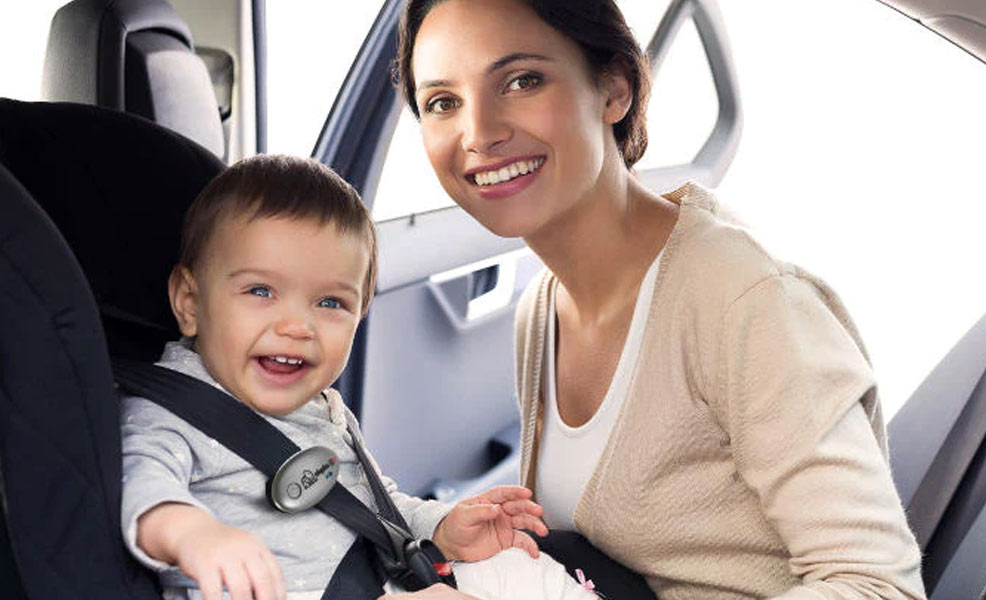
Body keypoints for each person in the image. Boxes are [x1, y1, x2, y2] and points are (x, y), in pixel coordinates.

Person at [389, 0, 928, 598]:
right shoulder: (541, 312)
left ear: (614, 89)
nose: (479, 132)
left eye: (522, 81)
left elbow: (878, 586)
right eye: (443, 102)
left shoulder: (744, 301)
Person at [119, 154, 599, 600]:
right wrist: (194, 534)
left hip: (376, 578)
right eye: (261, 290)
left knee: (519, 565)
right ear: (189, 302)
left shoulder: (321, 408)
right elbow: (143, 487)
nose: (296, 326)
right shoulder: (169, 413)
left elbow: (374, 506)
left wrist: (441, 526)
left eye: (330, 303)